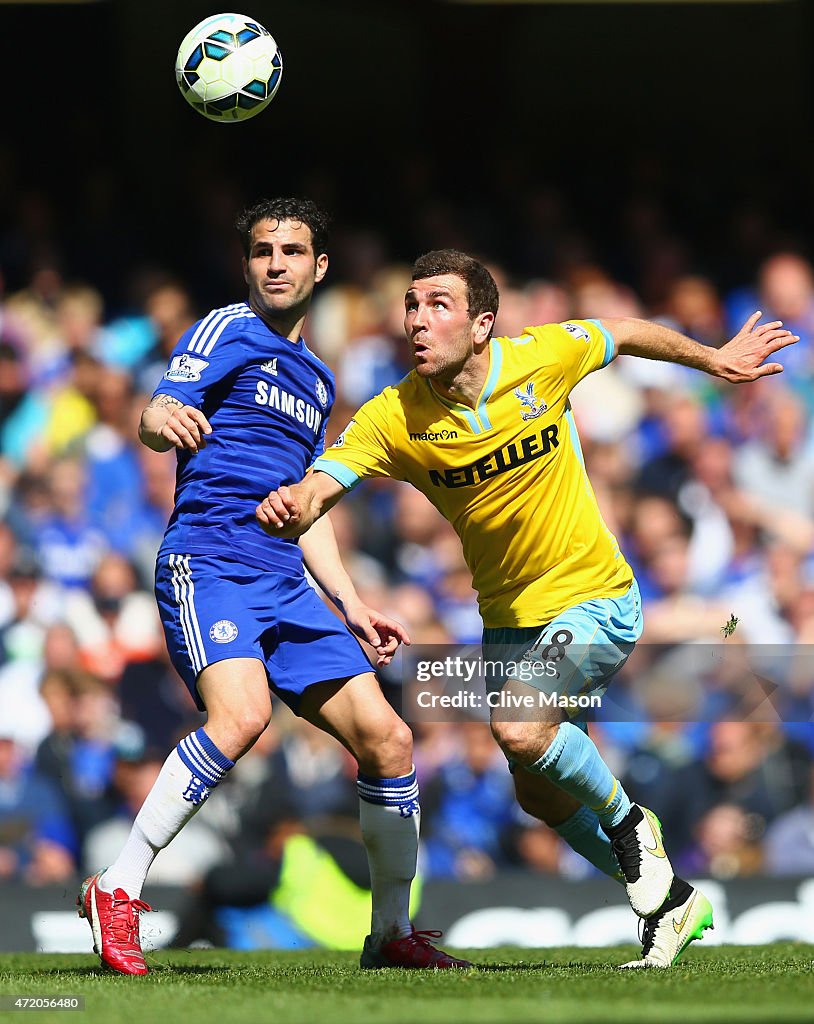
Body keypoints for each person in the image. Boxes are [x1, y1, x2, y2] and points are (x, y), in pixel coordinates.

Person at [257, 248, 798, 968]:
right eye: (412, 305)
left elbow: (626, 330)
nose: (417, 319)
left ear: (482, 324)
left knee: (517, 725)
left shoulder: (543, 356)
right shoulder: (395, 416)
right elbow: (324, 484)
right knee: (538, 795)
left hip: (595, 595)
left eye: (438, 305)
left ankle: (634, 827)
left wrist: (712, 357)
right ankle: (669, 901)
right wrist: (293, 504)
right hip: (509, 623)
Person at [77, 200, 468, 975]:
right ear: (248, 265)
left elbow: (306, 505)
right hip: (210, 562)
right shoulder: (227, 329)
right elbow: (161, 408)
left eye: (293, 251)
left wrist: (350, 604)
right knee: (243, 715)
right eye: (263, 251)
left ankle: (390, 931)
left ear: (321, 267)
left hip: (286, 582)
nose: (277, 263)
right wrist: (161, 418)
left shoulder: (318, 379)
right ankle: (117, 888)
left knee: (389, 740)